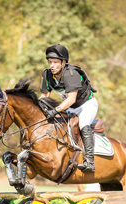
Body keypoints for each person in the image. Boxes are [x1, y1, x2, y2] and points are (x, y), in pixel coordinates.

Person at [40, 44, 99, 173]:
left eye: (55, 62)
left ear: (63, 62)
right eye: (50, 62)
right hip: (70, 107)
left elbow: (71, 98)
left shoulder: (71, 74)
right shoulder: (47, 75)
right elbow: (44, 97)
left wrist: (55, 110)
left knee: (83, 124)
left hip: (86, 105)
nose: (52, 65)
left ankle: (89, 161)